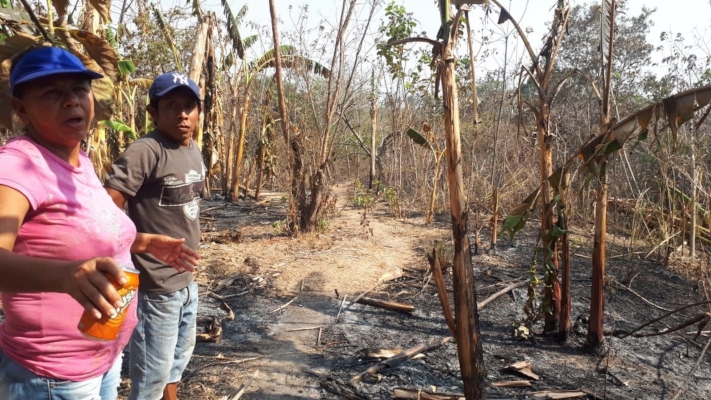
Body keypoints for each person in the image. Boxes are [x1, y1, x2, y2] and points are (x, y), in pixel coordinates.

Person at [0, 46, 200, 400]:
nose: (72, 102)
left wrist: (141, 242)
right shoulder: (17, 166)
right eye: (52, 93)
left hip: (102, 358)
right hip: (54, 373)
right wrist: (65, 276)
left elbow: (84, 232)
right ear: (21, 108)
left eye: (79, 89)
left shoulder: (79, 161)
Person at [105, 71, 205, 400]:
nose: (182, 114)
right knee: (151, 373)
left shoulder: (193, 150)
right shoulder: (146, 150)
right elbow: (106, 208)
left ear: (199, 111)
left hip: (186, 281)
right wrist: (137, 245)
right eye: (171, 105)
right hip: (154, 286)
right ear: (153, 112)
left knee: (177, 361)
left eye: (189, 106)